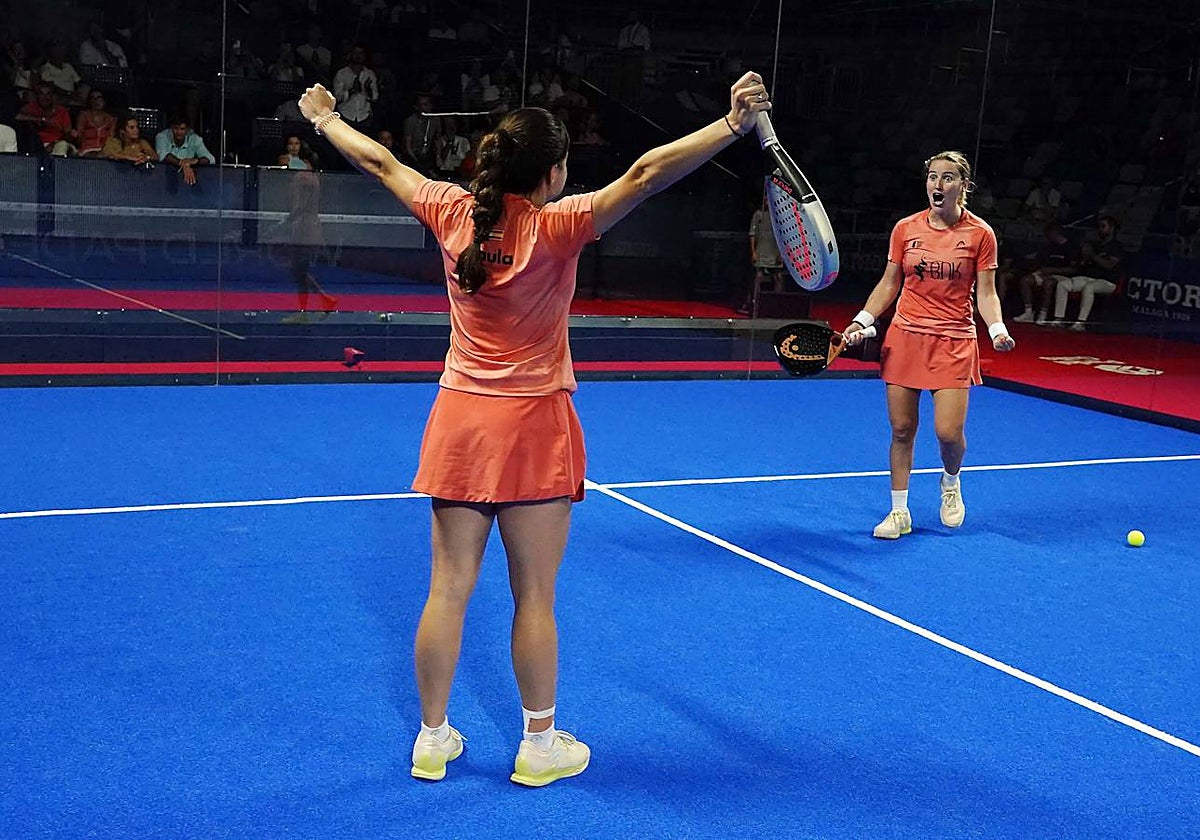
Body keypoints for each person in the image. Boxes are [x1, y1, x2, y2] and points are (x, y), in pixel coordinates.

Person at [297, 70, 773, 786]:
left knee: (447, 588)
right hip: (533, 428)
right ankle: (539, 746)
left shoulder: (452, 211)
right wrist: (733, 127)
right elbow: (644, 174)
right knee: (535, 597)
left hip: (459, 419)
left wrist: (327, 121)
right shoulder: (558, 226)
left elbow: (381, 161)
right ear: (553, 173)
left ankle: (431, 740)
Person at [844, 151, 1014, 540]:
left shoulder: (980, 234)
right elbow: (890, 284)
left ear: (963, 187)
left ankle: (950, 482)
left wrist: (997, 329)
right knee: (902, 429)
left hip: (954, 340)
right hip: (906, 335)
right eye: (932, 177)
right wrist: (862, 320)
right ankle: (899, 511)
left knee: (948, 433)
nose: (938, 185)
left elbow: (986, 294)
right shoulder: (905, 228)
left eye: (948, 178)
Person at [1047, 214, 1124, 332]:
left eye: (1103, 226)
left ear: (1112, 228)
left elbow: (1109, 265)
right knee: (1063, 285)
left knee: (1089, 288)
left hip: (1108, 281)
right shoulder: (1096, 244)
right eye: (1099, 226)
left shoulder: (1116, 246)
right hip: (1090, 276)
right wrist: (1084, 256)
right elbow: (1083, 263)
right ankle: (1059, 319)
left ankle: (1080, 323)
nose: (1100, 229)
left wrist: (1092, 254)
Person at [1012, 222, 1076, 324]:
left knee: (1048, 283)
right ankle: (1029, 313)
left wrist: (1052, 270)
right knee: (1025, 280)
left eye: (1049, 233)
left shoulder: (1071, 247)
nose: (1047, 236)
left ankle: (1043, 314)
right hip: (1044, 273)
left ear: (1056, 232)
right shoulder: (1049, 247)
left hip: (1062, 276)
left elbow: (1072, 269)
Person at [738, 188, 785, 315]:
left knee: (778, 277)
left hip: (775, 252)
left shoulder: (780, 216)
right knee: (758, 277)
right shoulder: (758, 215)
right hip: (761, 251)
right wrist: (753, 251)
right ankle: (753, 303)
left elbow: (784, 236)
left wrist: (782, 254)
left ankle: (776, 304)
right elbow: (752, 234)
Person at [154, 117, 215, 185]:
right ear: (171, 128)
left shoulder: (195, 139)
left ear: (187, 129)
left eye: (182, 129)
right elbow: (162, 155)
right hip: (164, 180)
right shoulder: (162, 136)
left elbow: (210, 159)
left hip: (188, 182)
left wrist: (195, 161)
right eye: (176, 128)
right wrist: (183, 165)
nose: (179, 132)